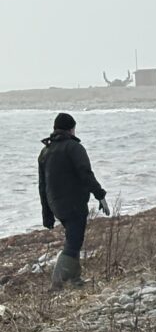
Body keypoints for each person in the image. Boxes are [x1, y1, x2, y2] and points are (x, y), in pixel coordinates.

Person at [38, 113, 109, 289]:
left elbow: (42, 186)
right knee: (74, 242)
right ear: (71, 129)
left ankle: (75, 279)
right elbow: (86, 174)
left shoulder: (45, 152)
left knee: (73, 238)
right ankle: (57, 284)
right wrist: (100, 194)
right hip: (74, 204)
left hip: (56, 205)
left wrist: (47, 214)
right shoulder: (74, 148)